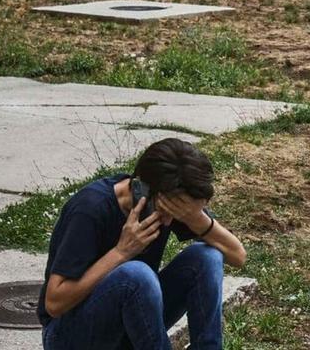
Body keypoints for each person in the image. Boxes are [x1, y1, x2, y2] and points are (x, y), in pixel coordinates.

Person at [38, 138, 246, 350]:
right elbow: (54, 303)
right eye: (167, 211)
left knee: (207, 258)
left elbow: (237, 256)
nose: (168, 221)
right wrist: (121, 252)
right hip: (69, 336)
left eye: (180, 213)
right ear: (142, 190)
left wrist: (196, 218)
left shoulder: (169, 203)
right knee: (135, 275)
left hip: (133, 324)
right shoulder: (90, 209)